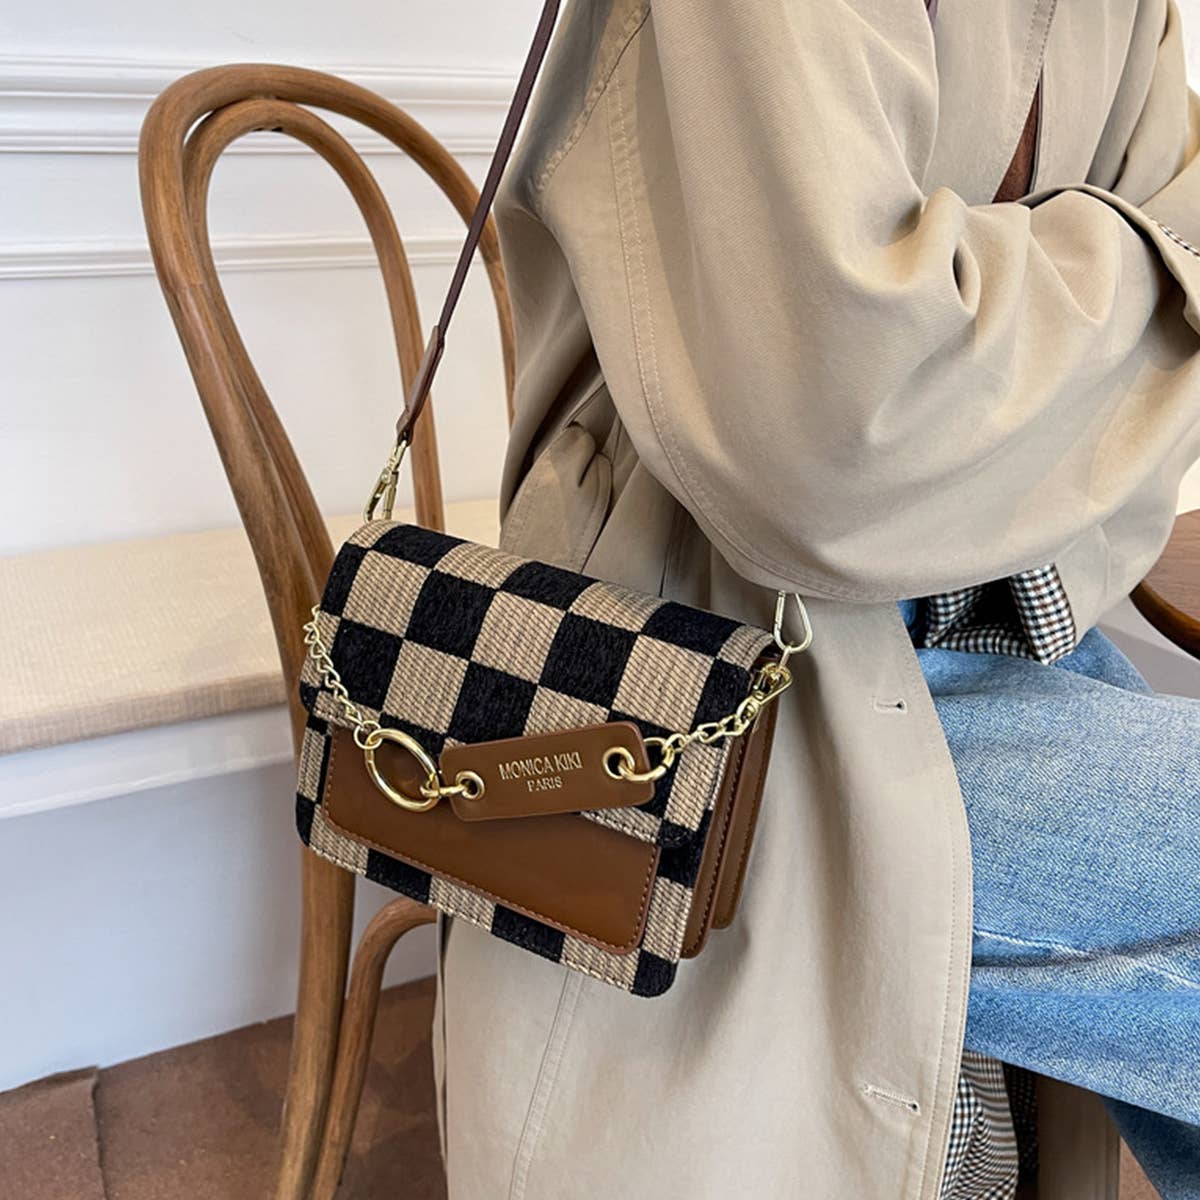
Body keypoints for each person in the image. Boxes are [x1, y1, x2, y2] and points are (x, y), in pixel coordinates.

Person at [430, 1, 1200, 1196]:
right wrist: (1146, 265)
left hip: (1006, 624)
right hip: (692, 666)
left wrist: (974, 314)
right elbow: (839, 441)